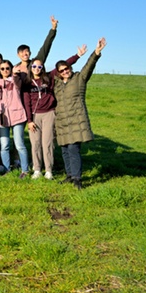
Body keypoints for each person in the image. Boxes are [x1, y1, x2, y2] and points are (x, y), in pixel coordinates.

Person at [23, 46, 84, 180]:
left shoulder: (48, 77)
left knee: (48, 143)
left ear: (43, 68)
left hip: (49, 113)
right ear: (30, 68)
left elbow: (62, 67)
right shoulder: (27, 83)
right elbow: (27, 103)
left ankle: (49, 170)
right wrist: (29, 120)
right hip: (34, 116)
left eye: (39, 67)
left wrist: (77, 56)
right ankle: (37, 169)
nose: (37, 69)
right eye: (34, 66)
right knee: (35, 144)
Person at [54, 37, 107, 190]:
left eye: (67, 69)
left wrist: (96, 52)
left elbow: (88, 67)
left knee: (73, 149)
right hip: (62, 122)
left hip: (76, 120)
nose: (65, 72)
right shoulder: (57, 85)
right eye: (62, 71)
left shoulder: (79, 78)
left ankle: (77, 178)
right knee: (64, 150)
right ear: (59, 73)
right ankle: (69, 175)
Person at [0, 59, 31, 178]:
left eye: (7, 68)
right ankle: (7, 169)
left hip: (17, 116)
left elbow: (19, 86)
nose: (5, 70)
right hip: (4, 117)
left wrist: (14, 74)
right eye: (2, 69)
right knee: (4, 145)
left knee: (19, 144)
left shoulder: (16, 80)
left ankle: (25, 170)